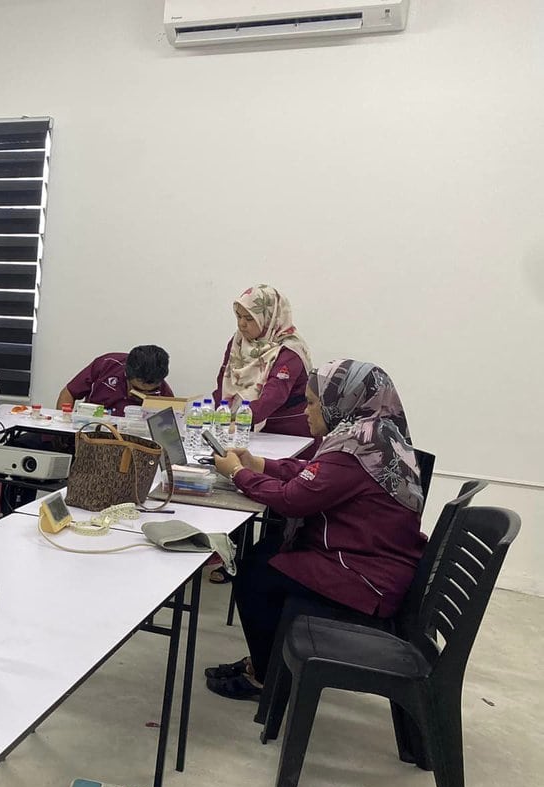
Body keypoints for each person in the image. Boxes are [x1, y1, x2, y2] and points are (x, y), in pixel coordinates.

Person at [206, 360, 426, 700]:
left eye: (311, 402)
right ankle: (269, 661)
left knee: (255, 575)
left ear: (339, 402)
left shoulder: (355, 450)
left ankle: (266, 678)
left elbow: (292, 500)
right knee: (266, 553)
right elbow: (314, 472)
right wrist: (258, 464)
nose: (305, 411)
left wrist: (237, 473)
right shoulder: (373, 436)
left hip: (364, 576)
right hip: (374, 559)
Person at [213, 284, 314, 437]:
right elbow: (224, 379)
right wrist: (220, 414)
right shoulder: (238, 341)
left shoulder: (290, 350)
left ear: (269, 318)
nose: (241, 324)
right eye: (239, 316)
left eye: (249, 318)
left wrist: (239, 423)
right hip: (246, 428)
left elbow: (273, 396)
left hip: (288, 433)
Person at [56, 344, 173, 415]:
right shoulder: (107, 365)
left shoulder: (164, 393)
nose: (143, 395)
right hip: (91, 431)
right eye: (137, 389)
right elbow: (69, 392)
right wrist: (63, 424)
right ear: (126, 374)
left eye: (151, 391)